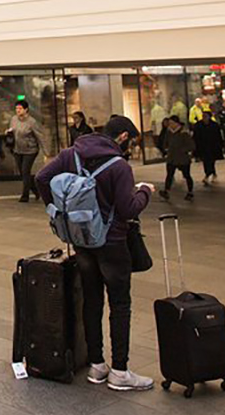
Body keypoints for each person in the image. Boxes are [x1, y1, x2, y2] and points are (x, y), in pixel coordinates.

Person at [36, 115, 154, 392]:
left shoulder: (71, 155)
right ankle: (120, 371)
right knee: (120, 304)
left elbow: (42, 178)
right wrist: (145, 192)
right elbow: (127, 208)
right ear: (122, 137)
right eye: (130, 141)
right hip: (112, 243)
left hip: (82, 241)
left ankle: (97, 365)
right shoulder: (119, 166)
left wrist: (58, 210)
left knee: (92, 300)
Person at [8, 102, 48, 203]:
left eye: (20, 108)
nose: (18, 111)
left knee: (25, 170)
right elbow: (12, 130)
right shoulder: (14, 119)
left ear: (26, 110)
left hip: (30, 150)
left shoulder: (32, 122)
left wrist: (46, 152)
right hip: (17, 149)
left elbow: (40, 136)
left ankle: (25, 195)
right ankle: (35, 190)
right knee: (22, 172)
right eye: (16, 108)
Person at [159, 116, 194, 201]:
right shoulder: (168, 132)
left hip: (182, 159)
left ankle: (190, 191)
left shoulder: (183, 133)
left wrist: (183, 150)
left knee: (187, 175)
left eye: (172, 123)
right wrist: (166, 149)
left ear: (177, 123)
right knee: (169, 175)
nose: (170, 125)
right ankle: (166, 191)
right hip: (171, 158)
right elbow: (165, 143)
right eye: (169, 123)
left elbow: (191, 146)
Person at [192, 110, 223, 187]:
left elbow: (218, 137)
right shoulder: (198, 125)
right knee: (206, 161)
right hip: (203, 147)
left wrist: (220, 146)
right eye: (203, 116)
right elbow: (195, 137)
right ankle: (210, 173)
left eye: (205, 116)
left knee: (211, 161)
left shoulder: (214, 125)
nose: (204, 117)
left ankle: (209, 174)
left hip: (212, 146)